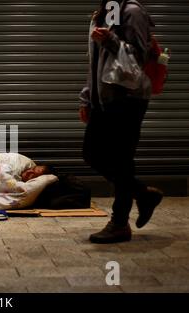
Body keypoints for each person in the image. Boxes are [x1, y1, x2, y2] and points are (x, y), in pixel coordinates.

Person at [79, 0, 163, 244]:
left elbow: (138, 56)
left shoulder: (132, 12)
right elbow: (95, 63)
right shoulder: (102, 14)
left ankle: (119, 223)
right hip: (104, 98)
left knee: (121, 159)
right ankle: (142, 193)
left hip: (128, 98)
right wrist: (87, 98)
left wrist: (110, 40)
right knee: (92, 153)